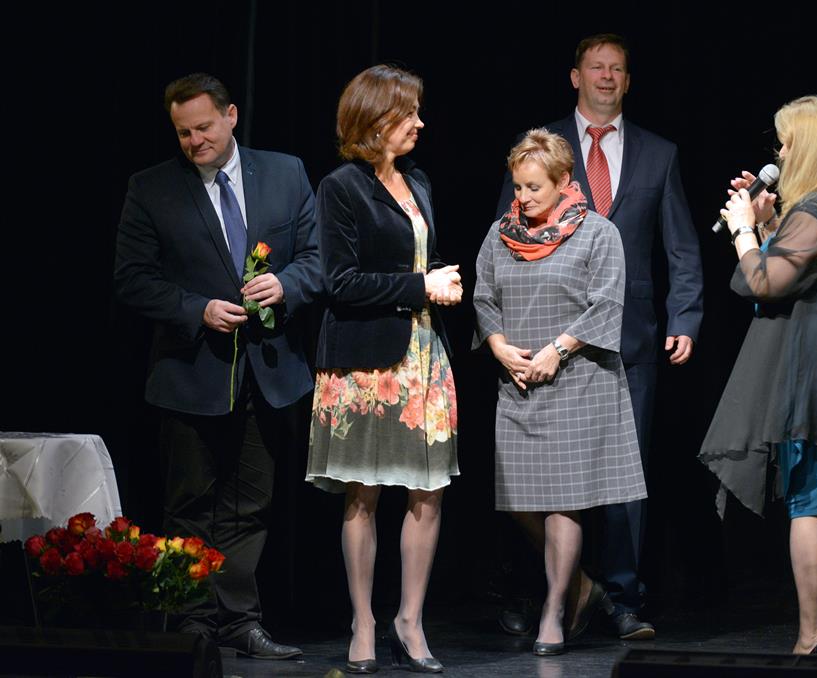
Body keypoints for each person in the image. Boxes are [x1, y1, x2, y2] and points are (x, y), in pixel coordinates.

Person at [493, 33, 702, 640]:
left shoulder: (659, 154)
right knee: (540, 479)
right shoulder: (540, 146)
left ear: (628, 81)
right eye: (596, 67)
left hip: (629, 340)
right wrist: (501, 332)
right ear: (576, 76)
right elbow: (505, 235)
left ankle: (623, 598)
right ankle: (555, 590)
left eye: (617, 68)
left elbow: (681, 248)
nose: (606, 76)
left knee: (622, 477)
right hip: (542, 338)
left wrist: (684, 318)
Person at [114, 73, 320, 659]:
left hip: (269, 372)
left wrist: (287, 285)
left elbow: (316, 258)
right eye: (183, 133)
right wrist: (196, 309)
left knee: (250, 504)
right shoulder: (152, 187)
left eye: (203, 127)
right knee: (190, 505)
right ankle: (192, 624)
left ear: (230, 115)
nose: (194, 141)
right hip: (190, 373)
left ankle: (239, 622)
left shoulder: (285, 172)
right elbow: (132, 279)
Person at [700, 95, 817, 655]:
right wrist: (770, 222)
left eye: (786, 143)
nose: (779, 154)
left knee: (808, 505)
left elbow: (763, 282)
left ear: (811, 147)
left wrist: (743, 229)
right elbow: (797, 272)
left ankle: (812, 638)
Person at [307, 64, 461, 675]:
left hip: (424, 356)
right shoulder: (340, 187)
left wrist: (437, 279)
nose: (420, 123)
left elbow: (414, 256)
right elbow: (340, 282)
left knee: (428, 492)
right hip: (367, 363)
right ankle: (364, 622)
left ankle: (410, 620)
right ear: (375, 120)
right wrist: (422, 286)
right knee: (363, 494)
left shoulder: (417, 180)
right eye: (409, 113)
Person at [475, 129, 648, 656]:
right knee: (519, 498)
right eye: (517, 187)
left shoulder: (597, 233)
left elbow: (608, 303)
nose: (522, 197)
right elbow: (484, 298)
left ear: (563, 181)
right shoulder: (500, 234)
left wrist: (558, 349)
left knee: (562, 503)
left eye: (533, 187)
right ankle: (583, 589)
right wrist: (499, 347)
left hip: (577, 380)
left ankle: (554, 610)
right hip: (519, 382)